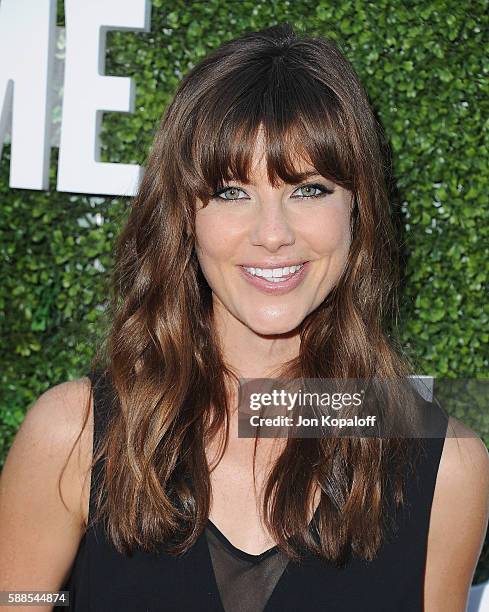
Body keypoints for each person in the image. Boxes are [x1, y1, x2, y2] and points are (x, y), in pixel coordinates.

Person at [0, 22, 488, 612]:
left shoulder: (446, 470)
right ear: (184, 215)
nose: (273, 234)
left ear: (357, 207)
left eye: (308, 189)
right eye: (232, 192)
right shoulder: (74, 436)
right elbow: (20, 598)